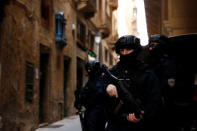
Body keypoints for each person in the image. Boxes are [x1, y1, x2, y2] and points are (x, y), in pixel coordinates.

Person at [96, 35, 162, 131]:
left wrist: (143, 114)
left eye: (128, 50)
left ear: (136, 50)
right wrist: (106, 86)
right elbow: (97, 88)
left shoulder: (147, 73)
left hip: (141, 124)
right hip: (116, 124)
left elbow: (155, 100)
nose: (125, 53)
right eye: (122, 50)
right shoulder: (113, 72)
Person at [147, 34, 177, 131]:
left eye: (155, 44)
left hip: (169, 106)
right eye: (151, 45)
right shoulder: (148, 64)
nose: (152, 47)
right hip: (152, 108)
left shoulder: (171, 63)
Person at [74, 60, 107, 131]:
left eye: (90, 69)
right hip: (90, 112)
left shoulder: (100, 81)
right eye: (88, 69)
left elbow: (97, 94)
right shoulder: (91, 81)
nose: (89, 71)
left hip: (98, 113)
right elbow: (84, 94)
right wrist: (79, 101)